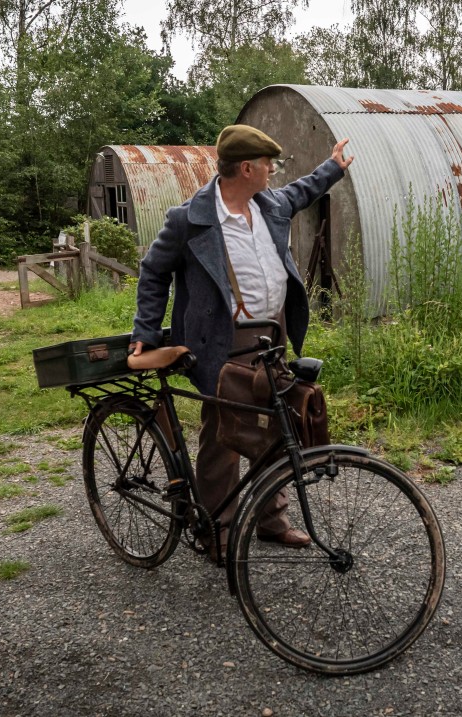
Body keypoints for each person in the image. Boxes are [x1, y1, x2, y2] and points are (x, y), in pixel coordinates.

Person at [129, 125, 353, 562]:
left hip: (271, 337)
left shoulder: (268, 203)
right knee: (224, 437)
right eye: (268, 164)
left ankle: (271, 520)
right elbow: (153, 272)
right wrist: (146, 332)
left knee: (273, 428)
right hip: (221, 342)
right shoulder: (189, 219)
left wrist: (334, 167)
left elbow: (304, 190)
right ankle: (219, 530)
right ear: (246, 167)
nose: (273, 171)